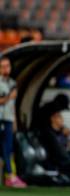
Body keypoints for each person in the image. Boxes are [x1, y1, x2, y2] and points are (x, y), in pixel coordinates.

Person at [0, 57, 27, 188]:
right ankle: (9, 175)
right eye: (3, 66)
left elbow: (12, 105)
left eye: (7, 66)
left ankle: (10, 175)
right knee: (5, 148)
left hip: (9, 119)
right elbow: (4, 101)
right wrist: (9, 96)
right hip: (1, 119)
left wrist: (15, 121)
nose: (6, 69)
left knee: (9, 148)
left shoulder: (12, 82)